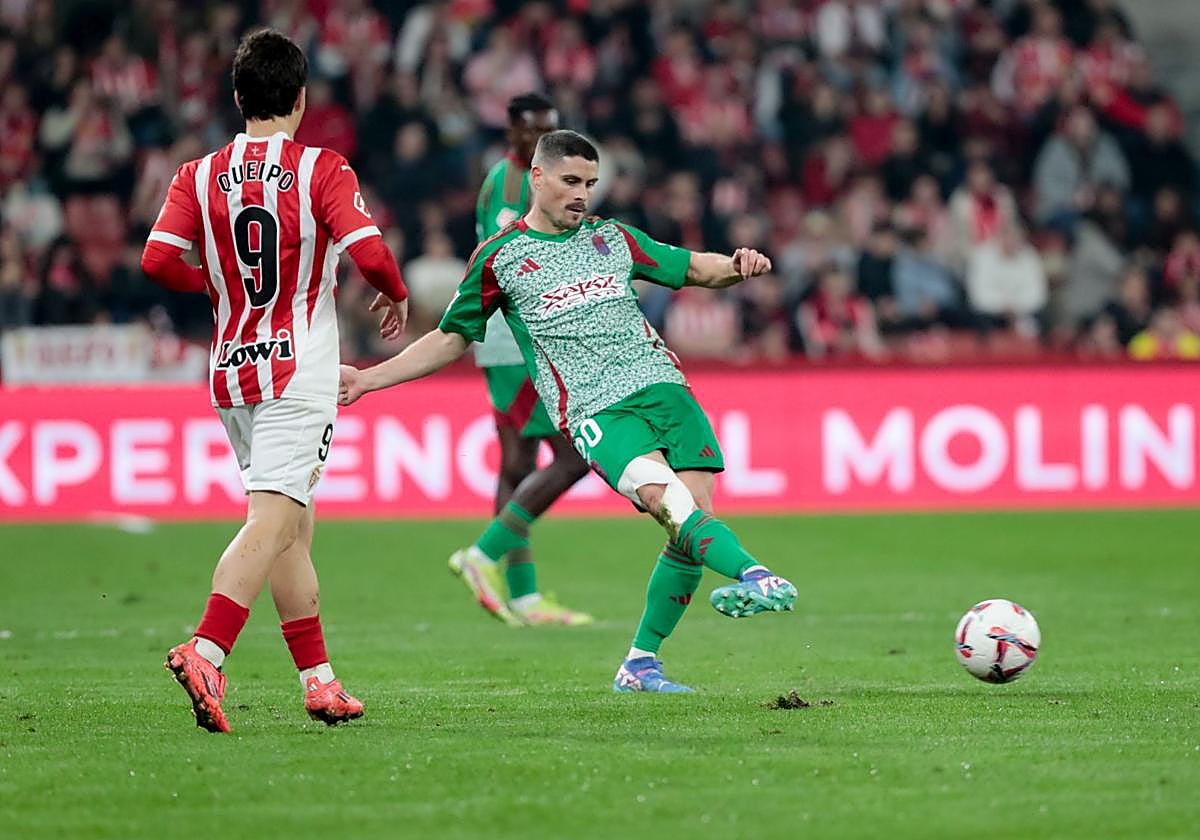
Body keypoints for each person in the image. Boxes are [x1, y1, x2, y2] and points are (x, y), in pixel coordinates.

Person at [339, 130, 797, 693]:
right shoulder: (500, 256)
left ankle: (640, 665)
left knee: (690, 523)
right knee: (667, 502)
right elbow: (451, 338)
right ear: (537, 178)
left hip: (666, 390)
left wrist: (737, 264)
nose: (583, 195)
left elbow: (694, 269)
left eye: (590, 184)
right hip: (596, 408)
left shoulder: (613, 238)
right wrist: (368, 378)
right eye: (571, 182)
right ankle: (758, 573)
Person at [140, 29, 409, 732]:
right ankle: (206, 650)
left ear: (237, 98)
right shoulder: (322, 168)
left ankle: (318, 680)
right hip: (298, 370)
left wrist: (217, 284)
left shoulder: (195, 174)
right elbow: (372, 254)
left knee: (293, 529)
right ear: (300, 97)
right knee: (274, 519)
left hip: (231, 369)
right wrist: (397, 291)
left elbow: (156, 260)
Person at [452, 93, 592, 628]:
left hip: (518, 334)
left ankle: (520, 594)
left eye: (551, 132)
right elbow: (511, 257)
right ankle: (482, 559)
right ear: (511, 129)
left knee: (517, 464)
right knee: (574, 455)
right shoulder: (509, 184)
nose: (544, 143)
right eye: (534, 132)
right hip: (517, 337)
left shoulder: (532, 181)